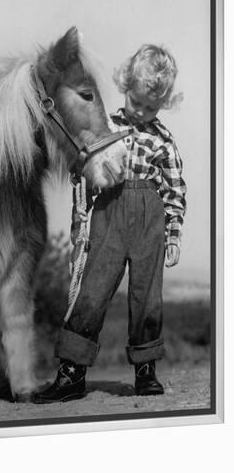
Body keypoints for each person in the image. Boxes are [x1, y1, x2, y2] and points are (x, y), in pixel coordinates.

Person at [35, 44, 187, 403]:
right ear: (125, 88)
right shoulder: (107, 127)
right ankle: (71, 373)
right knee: (92, 290)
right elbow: (84, 163)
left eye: (152, 107)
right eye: (137, 102)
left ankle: (146, 371)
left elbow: (175, 191)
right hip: (108, 214)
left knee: (147, 297)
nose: (143, 111)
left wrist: (174, 234)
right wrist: (79, 187)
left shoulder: (164, 141)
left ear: (162, 105)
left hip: (151, 219)